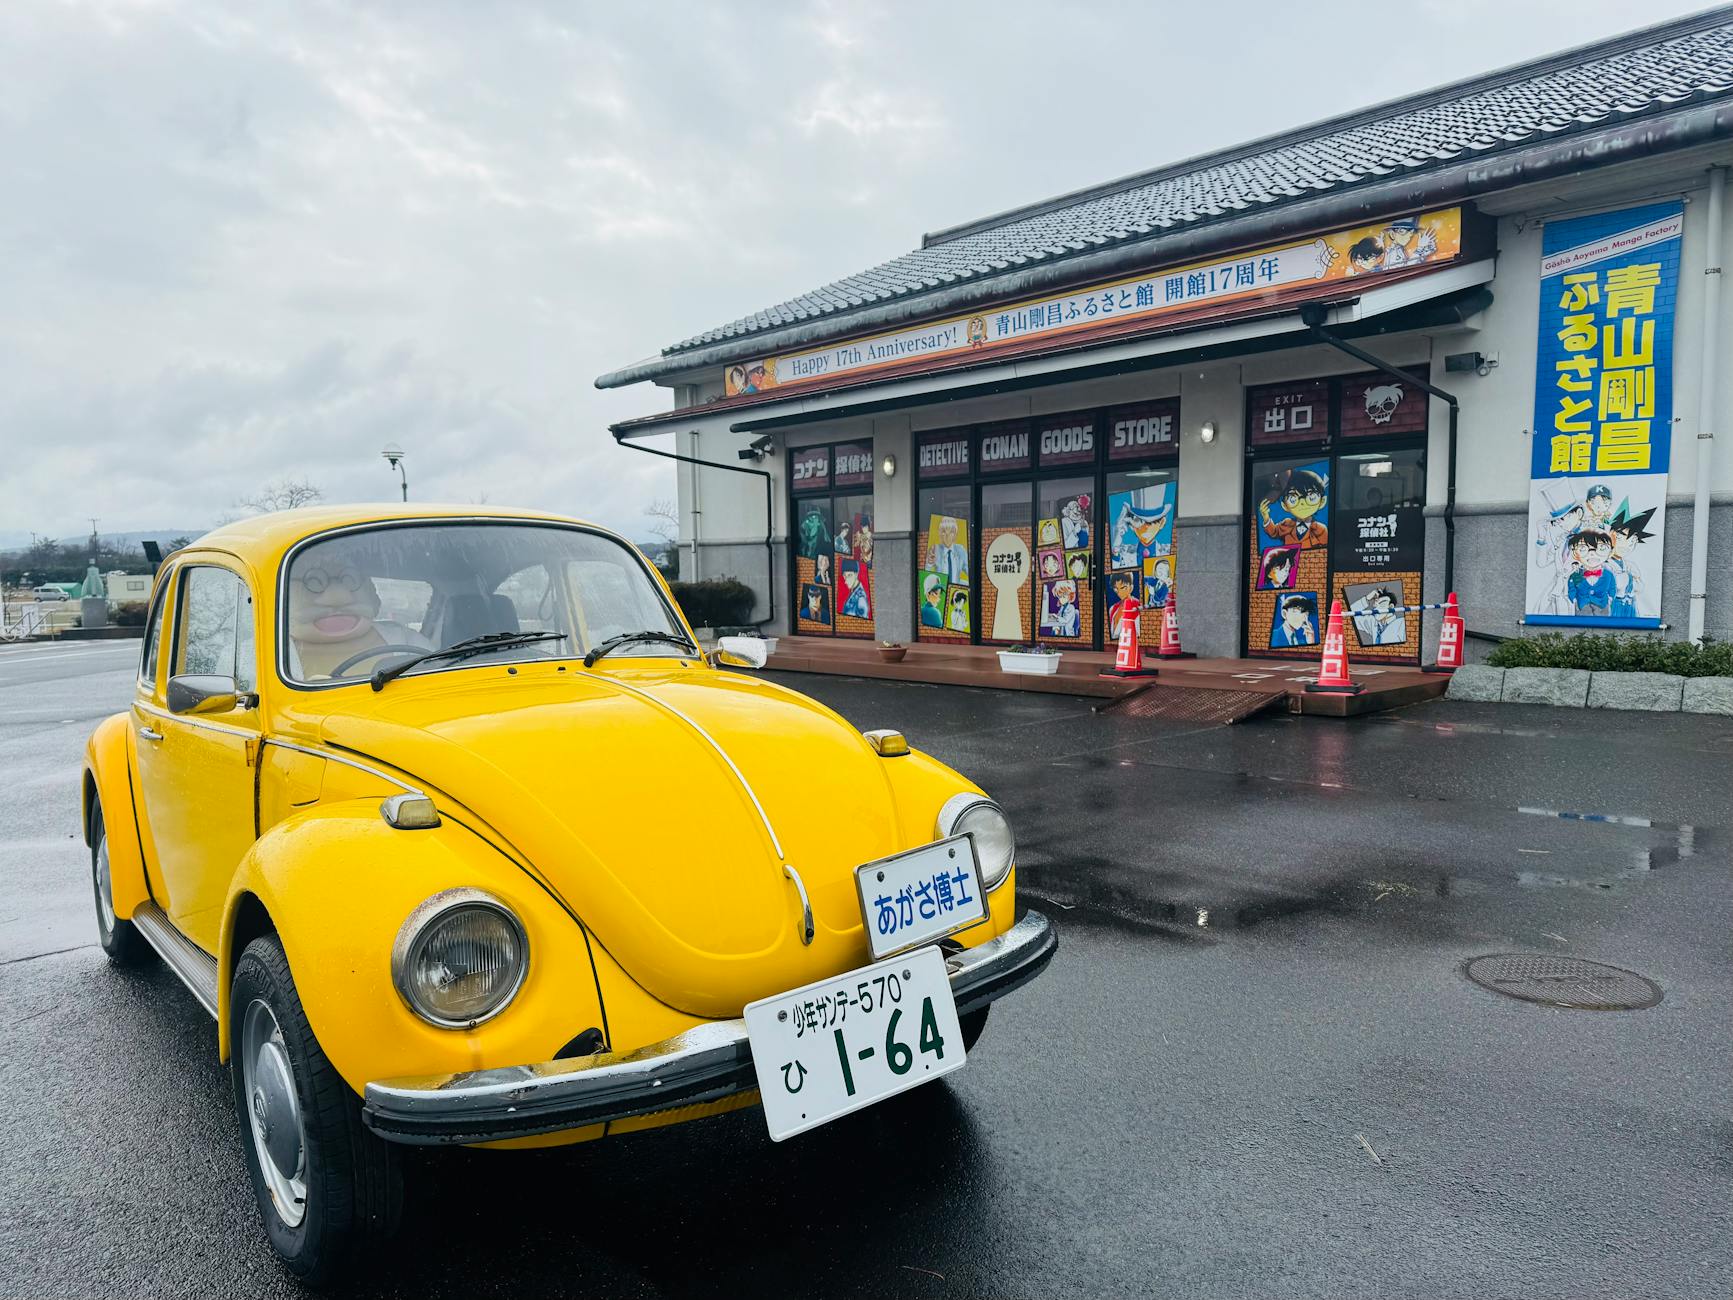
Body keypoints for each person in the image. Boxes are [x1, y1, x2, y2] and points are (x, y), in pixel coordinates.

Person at [286, 547, 431, 680]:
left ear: (371, 593)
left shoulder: (404, 639)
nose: (337, 597)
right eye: (314, 582)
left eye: (350, 580)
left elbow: (442, 667)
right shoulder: (277, 655)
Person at [1259, 468, 1329, 549]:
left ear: (1322, 502)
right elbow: (1273, 532)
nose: (1302, 502)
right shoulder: (1286, 523)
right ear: (1284, 505)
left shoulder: (1321, 529)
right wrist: (1266, 517)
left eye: (1311, 497)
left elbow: (1325, 551)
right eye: (1293, 499)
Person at [1565, 530, 1617, 616]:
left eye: (1601, 548)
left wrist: (1610, 598)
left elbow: (1612, 587)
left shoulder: (1608, 574)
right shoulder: (1576, 574)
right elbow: (1571, 587)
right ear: (1575, 553)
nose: (1592, 553)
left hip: (1602, 606)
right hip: (1582, 606)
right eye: (1583, 549)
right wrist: (1573, 599)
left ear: (1610, 552)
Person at [929, 516, 969, 585]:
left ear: (955, 534)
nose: (947, 535)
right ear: (940, 534)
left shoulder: (960, 550)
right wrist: (929, 564)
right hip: (941, 590)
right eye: (944, 531)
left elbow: (969, 571)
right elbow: (925, 574)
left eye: (951, 532)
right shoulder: (936, 549)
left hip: (956, 589)